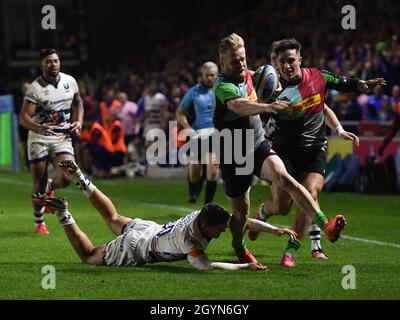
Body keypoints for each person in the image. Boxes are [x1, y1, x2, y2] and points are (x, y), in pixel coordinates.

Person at [249, 38, 385, 266]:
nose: (286, 66)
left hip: (314, 151)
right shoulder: (274, 90)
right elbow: (258, 116)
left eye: (291, 60)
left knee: (309, 194)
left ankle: (291, 250)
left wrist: (359, 84)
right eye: (282, 62)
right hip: (285, 153)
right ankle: (263, 213)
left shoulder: (317, 77)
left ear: (300, 60)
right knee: (282, 207)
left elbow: (341, 83)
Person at [213, 33, 346, 264]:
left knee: (283, 176)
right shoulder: (223, 86)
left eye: (244, 58)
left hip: (256, 144)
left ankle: (326, 224)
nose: (242, 64)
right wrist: (267, 106)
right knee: (240, 216)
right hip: (234, 152)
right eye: (236, 61)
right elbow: (239, 106)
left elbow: (272, 84)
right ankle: (239, 245)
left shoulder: (250, 75)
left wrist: (278, 89)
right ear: (223, 63)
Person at [31, 159, 297, 271]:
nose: (222, 232)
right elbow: (205, 266)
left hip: (150, 229)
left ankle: (80, 177)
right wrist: (244, 266)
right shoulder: (191, 242)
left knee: (112, 218)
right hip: (138, 247)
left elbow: (242, 221)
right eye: (220, 230)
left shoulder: (203, 216)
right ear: (206, 226)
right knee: (88, 257)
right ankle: (64, 213)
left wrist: (274, 230)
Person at [19, 48, 84, 234]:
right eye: (48, 61)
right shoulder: (35, 89)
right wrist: (39, 127)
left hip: (62, 137)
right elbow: (23, 117)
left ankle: (50, 186)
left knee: (67, 177)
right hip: (39, 138)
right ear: (42, 65)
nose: (53, 64)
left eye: (55, 61)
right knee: (37, 183)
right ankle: (39, 221)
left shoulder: (70, 81)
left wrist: (78, 122)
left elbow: (78, 102)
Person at [176, 62, 220, 204]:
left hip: (216, 133)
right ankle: (193, 193)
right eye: (207, 75)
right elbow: (180, 112)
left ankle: (208, 205)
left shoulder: (223, 90)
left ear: (217, 75)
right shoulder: (194, 91)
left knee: (213, 171)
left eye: (212, 75)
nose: (210, 78)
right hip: (198, 134)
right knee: (195, 171)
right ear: (202, 75)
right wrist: (187, 128)